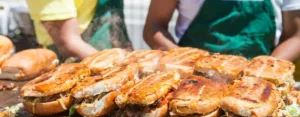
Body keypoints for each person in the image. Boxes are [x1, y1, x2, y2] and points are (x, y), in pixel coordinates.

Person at [143, 0, 300, 80]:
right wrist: (185, 63)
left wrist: (263, 72)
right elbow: (154, 27)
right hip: (191, 77)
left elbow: (296, 36)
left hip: (258, 79)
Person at [26, 0, 131, 60]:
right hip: (74, 58)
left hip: (112, 52)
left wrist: (132, 60)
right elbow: (67, 42)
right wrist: (119, 69)